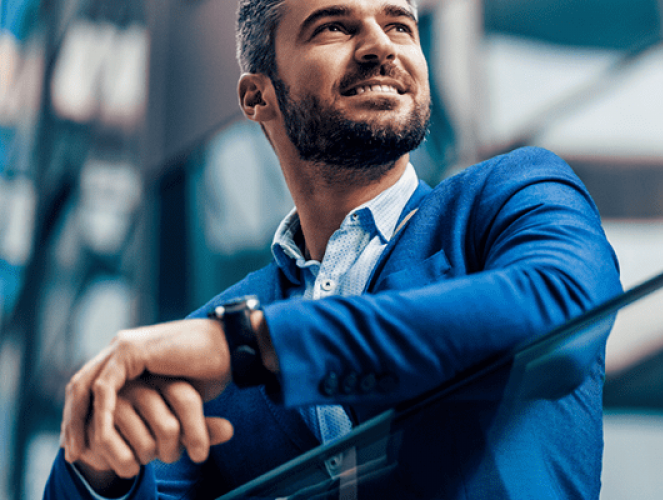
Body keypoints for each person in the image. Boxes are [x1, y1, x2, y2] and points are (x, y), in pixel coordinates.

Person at [42, 0, 621, 497]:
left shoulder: (511, 195)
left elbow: (561, 315)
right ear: (257, 96)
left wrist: (256, 345)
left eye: (399, 26)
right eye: (333, 27)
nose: (379, 46)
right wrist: (98, 466)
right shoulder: (214, 339)